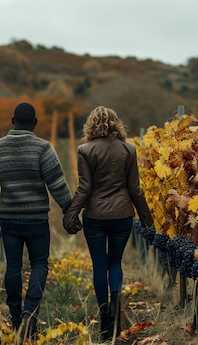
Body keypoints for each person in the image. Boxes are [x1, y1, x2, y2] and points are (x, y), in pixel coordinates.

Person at [0, 102, 73, 340]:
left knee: (13, 267)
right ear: (34, 123)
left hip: (9, 219)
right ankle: (29, 315)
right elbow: (58, 184)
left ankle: (15, 319)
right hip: (36, 219)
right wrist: (69, 211)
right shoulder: (43, 148)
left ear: (12, 121)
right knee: (40, 265)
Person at [63, 105, 153, 341]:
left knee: (99, 265)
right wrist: (145, 214)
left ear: (91, 125)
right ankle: (116, 303)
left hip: (95, 216)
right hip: (123, 214)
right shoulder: (129, 149)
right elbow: (134, 188)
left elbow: (85, 188)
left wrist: (70, 214)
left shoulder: (85, 150)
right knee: (115, 261)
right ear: (116, 124)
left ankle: (105, 315)